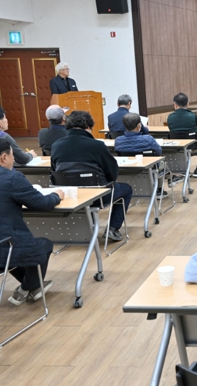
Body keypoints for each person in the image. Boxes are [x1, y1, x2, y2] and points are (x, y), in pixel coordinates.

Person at [0, 138, 64, 305]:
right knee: (43, 245)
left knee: (13, 247)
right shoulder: (12, 178)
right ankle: (28, 287)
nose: (14, 159)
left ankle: (31, 287)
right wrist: (56, 195)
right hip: (4, 248)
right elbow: (42, 204)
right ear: (4, 158)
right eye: (12, 155)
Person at [51, 111, 132, 241]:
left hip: (70, 195)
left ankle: (84, 229)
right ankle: (112, 228)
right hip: (98, 197)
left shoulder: (56, 145)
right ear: (88, 127)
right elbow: (112, 172)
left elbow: (54, 170)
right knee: (126, 189)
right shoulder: (97, 145)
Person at [167, 92, 197, 178]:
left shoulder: (170, 117)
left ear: (175, 105)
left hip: (176, 148)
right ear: (188, 104)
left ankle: (183, 170)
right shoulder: (193, 116)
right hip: (192, 148)